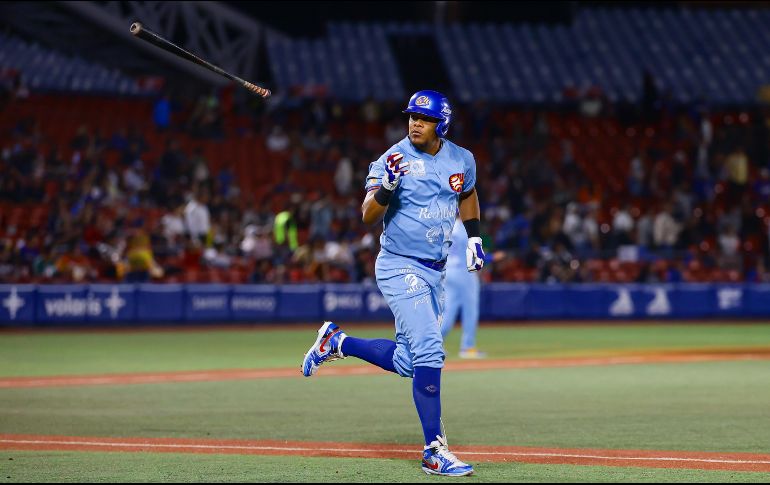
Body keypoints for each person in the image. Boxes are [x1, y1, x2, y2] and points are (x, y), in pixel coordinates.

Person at [301, 90, 485, 477]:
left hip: (434, 271)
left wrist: (474, 237)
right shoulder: (392, 158)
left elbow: (467, 195)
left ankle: (337, 342)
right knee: (431, 351)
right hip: (400, 264)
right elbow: (368, 215)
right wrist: (386, 186)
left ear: (443, 124)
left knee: (408, 361)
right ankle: (434, 450)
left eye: (424, 118)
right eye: (411, 117)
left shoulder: (462, 159)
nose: (415, 123)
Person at [440, 218, 486, 359]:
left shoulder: (447, 226)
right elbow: (475, 252)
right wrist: (491, 257)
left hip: (448, 271)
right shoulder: (466, 227)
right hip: (464, 271)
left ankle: (434, 345)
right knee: (470, 310)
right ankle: (467, 347)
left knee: (448, 311)